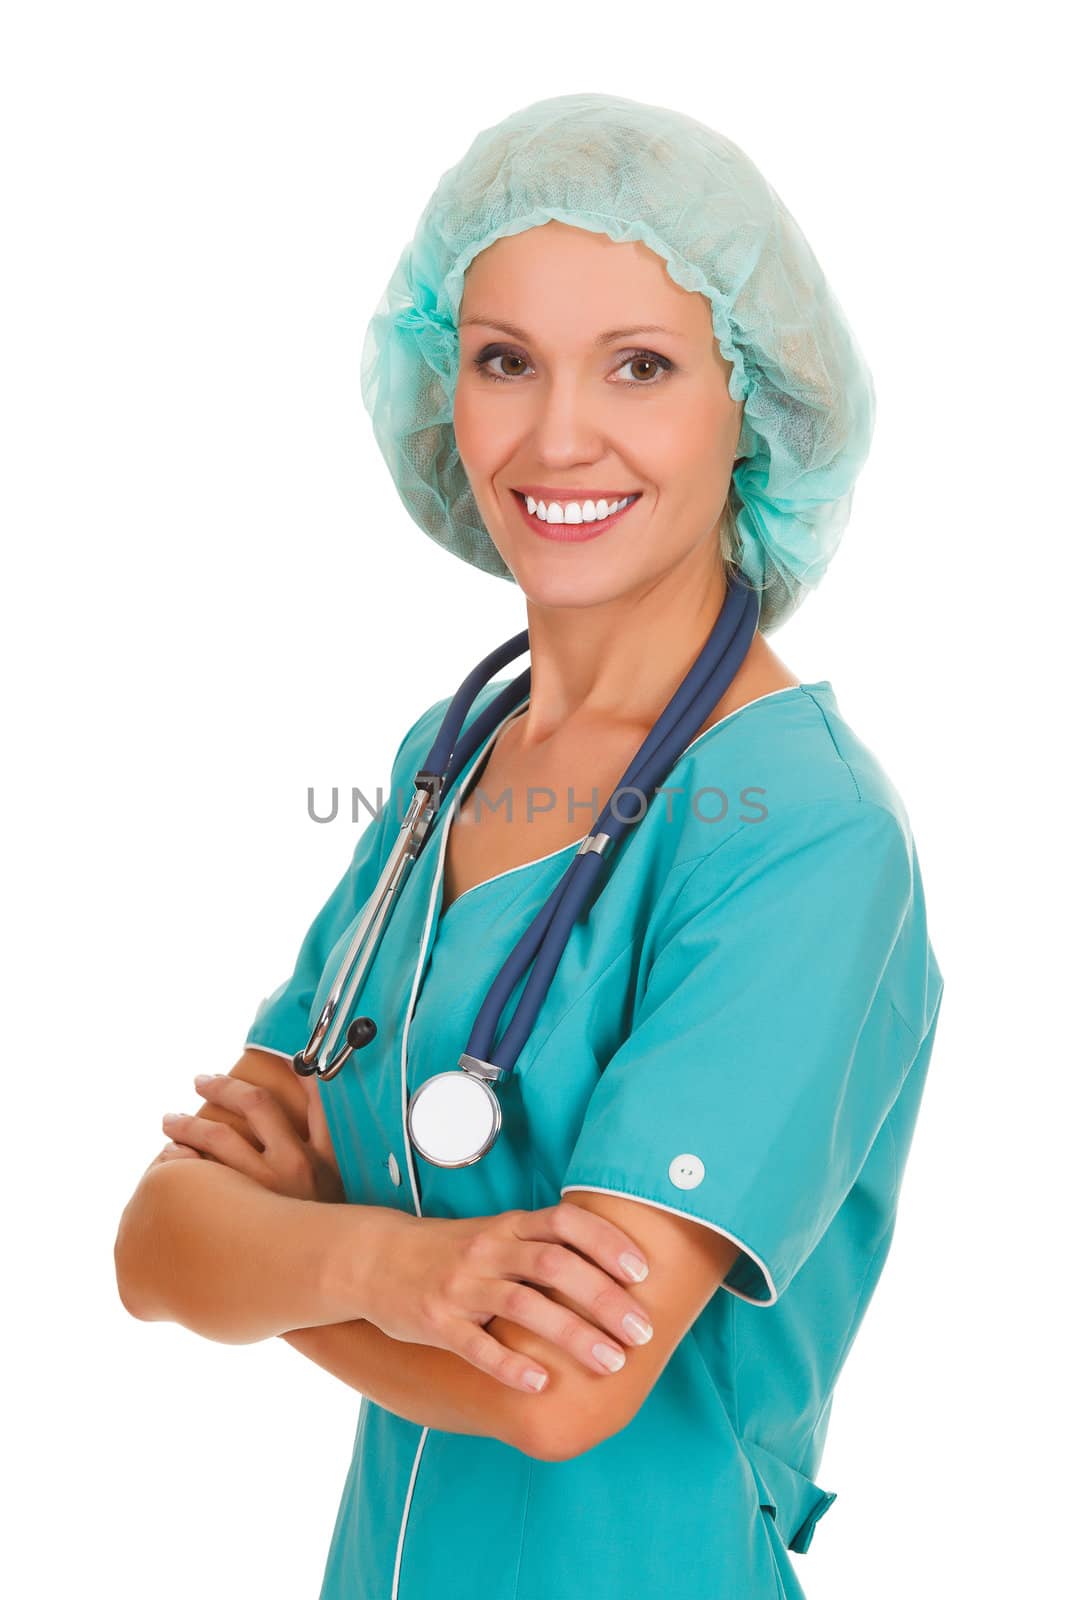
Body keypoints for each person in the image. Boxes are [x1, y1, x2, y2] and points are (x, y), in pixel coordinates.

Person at [115, 93, 945, 1600]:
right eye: (505, 361)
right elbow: (155, 1242)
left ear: (752, 400)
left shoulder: (808, 840)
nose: (559, 434)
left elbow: (558, 1392)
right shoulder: (453, 760)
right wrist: (406, 1274)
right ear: (448, 390)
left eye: (640, 364)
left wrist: (286, 1251)